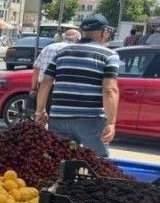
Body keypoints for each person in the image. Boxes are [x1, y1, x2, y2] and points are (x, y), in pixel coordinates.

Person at [35, 14, 120, 157]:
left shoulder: (62, 52)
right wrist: (111, 123)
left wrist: (40, 111)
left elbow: (45, 82)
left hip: (59, 118)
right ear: (104, 32)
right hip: (91, 120)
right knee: (98, 163)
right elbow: (109, 90)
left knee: (59, 161)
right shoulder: (109, 55)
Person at [29, 29, 81, 112]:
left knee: (40, 115)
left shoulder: (48, 48)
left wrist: (33, 88)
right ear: (78, 39)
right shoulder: (75, 50)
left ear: (63, 37)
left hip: (43, 87)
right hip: (62, 89)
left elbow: (36, 69)